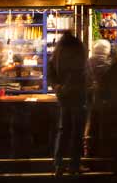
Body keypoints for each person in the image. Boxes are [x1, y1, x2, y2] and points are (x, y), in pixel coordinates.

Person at [48, 31, 87, 176]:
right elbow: (79, 72)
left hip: (63, 97)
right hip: (77, 96)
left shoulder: (58, 52)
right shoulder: (77, 50)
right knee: (76, 132)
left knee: (63, 130)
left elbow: (50, 72)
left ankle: (58, 165)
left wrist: (58, 87)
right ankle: (74, 165)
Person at [84, 39, 112, 157]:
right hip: (104, 102)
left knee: (88, 126)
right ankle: (102, 152)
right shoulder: (109, 66)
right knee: (103, 127)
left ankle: (88, 151)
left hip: (87, 100)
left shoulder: (86, 63)